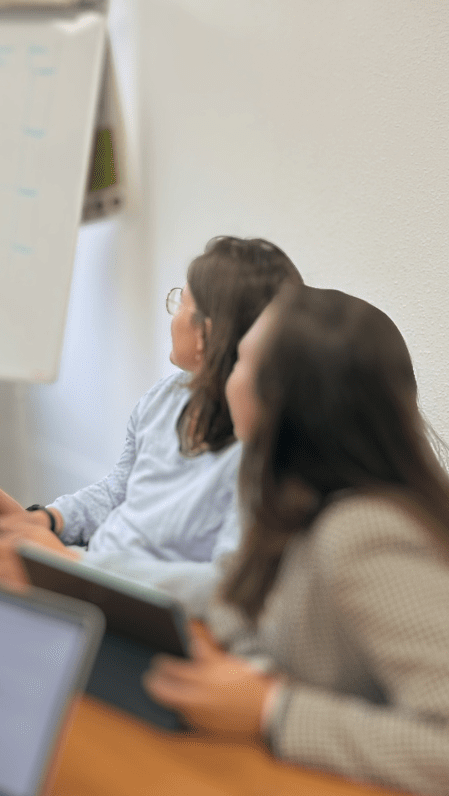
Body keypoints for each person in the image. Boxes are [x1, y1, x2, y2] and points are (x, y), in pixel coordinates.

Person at [144, 286, 449, 795]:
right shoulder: (290, 501)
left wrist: (271, 709)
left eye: (239, 359)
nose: (222, 373)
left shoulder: (364, 532)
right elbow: (244, 613)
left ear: (281, 400)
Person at [0, 237, 301, 613]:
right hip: (89, 572)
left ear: (207, 334)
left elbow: (228, 583)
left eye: (182, 302)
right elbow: (119, 491)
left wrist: (76, 567)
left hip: (139, 604)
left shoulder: (261, 452)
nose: (173, 314)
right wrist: (49, 520)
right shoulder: (167, 397)